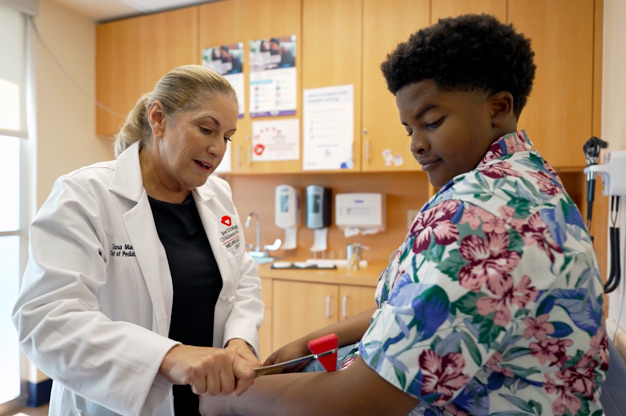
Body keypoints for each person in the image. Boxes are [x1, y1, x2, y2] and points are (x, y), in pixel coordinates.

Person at [199, 14, 608, 416]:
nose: (417, 144)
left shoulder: (478, 216)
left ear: (498, 108)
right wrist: (306, 344)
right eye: (409, 130)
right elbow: (416, 307)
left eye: (431, 122)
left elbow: (360, 403)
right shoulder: (529, 181)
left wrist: (221, 402)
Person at [12, 65, 264, 416]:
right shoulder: (85, 195)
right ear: (158, 118)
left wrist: (239, 340)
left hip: (210, 400)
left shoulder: (218, 196)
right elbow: (46, 319)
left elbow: (243, 282)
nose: (217, 148)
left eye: (228, 136)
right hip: (116, 405)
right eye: (206, 129)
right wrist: (169, 357)